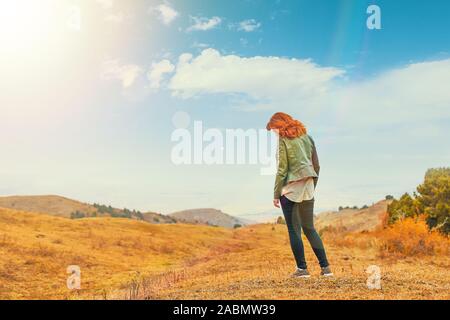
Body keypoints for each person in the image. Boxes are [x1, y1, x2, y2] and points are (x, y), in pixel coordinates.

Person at [267, 112, 333, 278]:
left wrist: (276, 194)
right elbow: (316, 165)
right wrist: (312, 185)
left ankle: (302, 270)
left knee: (294, 230)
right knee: (309, 228)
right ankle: (326, 269)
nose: (274, 133)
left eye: (274, 129)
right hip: (308, 185)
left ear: (280, 125)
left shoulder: (283, 140)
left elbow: (282, 170)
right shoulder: (307, 138)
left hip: (290, 189)